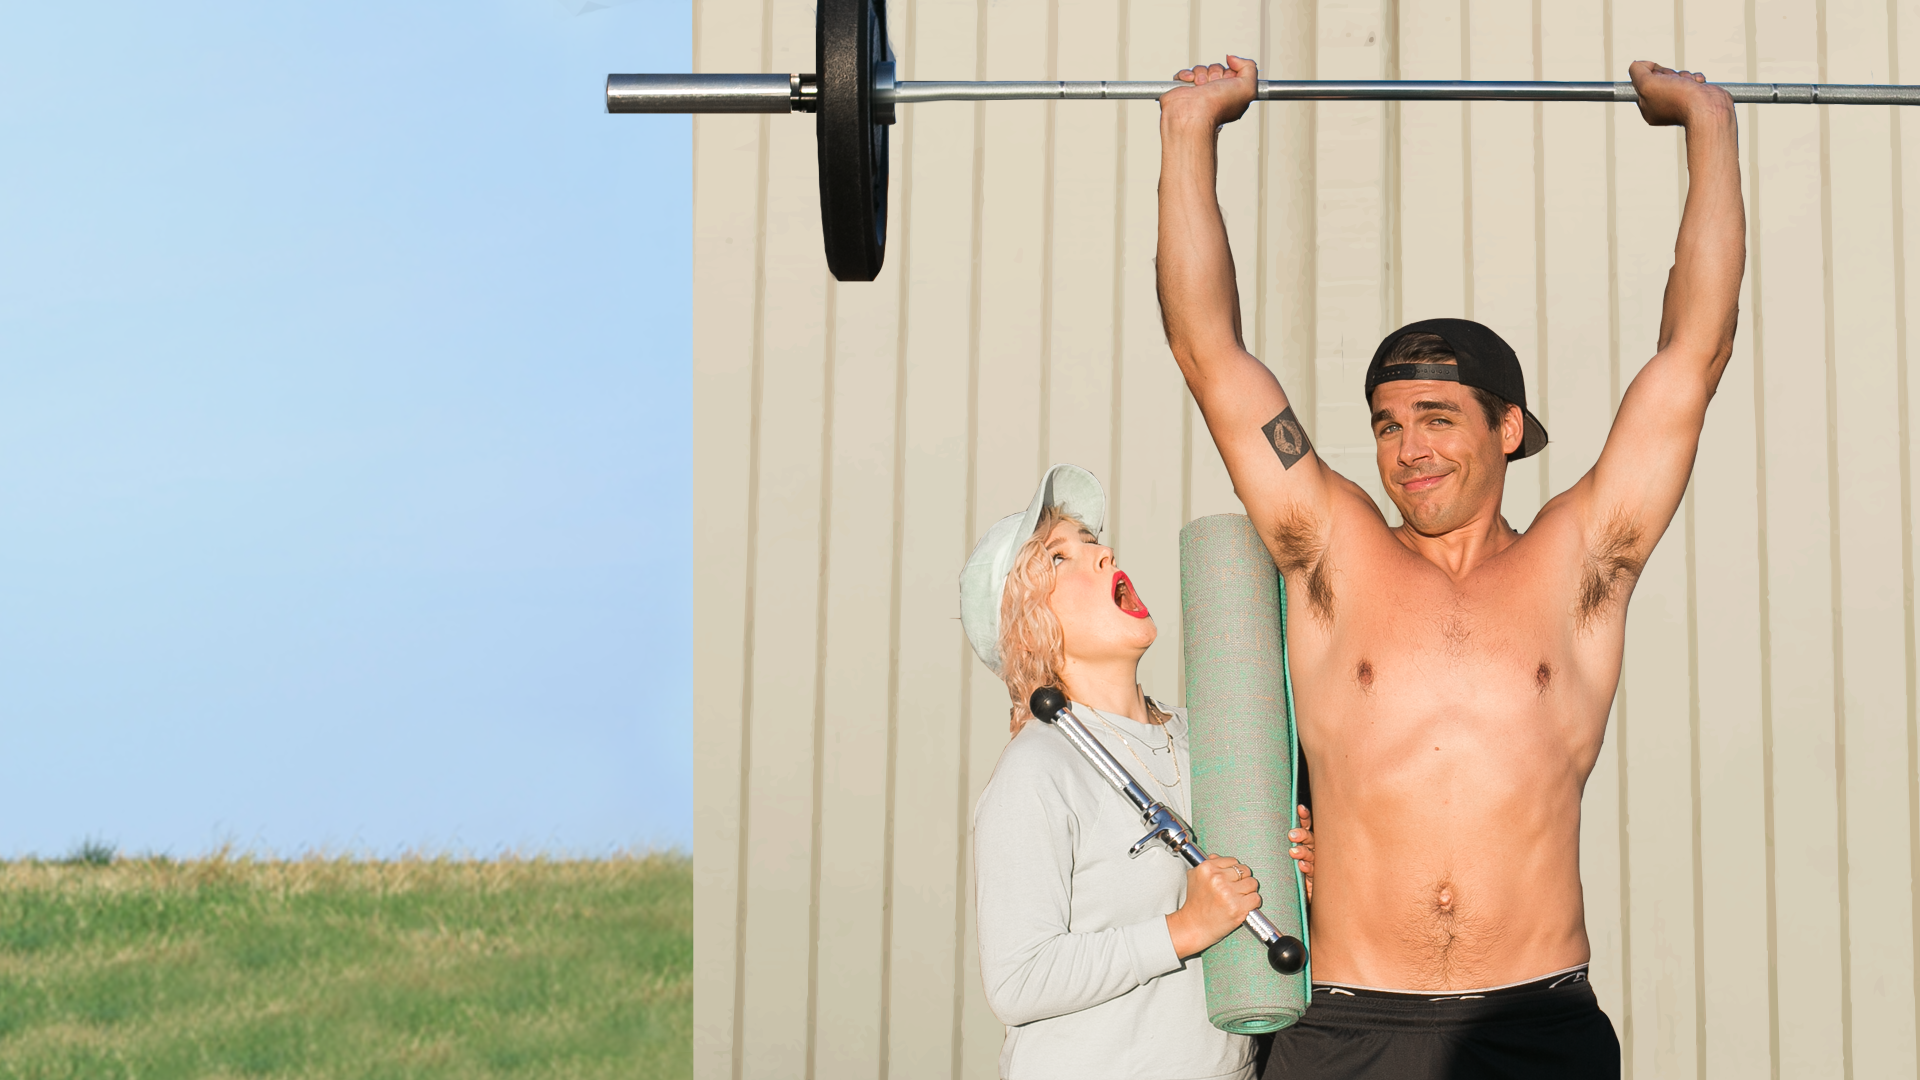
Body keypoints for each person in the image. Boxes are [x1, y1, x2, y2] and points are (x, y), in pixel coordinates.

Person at [1156, 56, 1743, 1077]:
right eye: (1388, 425)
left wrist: (1708, 127)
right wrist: (1189, 134)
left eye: (1437, 418)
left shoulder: (1581, 563)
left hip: (1533, 1025)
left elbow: (1694, 352)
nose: (1408, 449)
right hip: (1344, 1025)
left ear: (1509, 428)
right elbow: (1210, 351)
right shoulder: (1333, 550)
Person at [963, 463, 1313, 1080]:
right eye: (1059, 557)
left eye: (1092, 542)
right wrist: (1183, 929)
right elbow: (1019, 979)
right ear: (1030, 625)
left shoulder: (1206, 738)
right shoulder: (1040, 769)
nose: (1103, 554)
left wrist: (1296, 879)